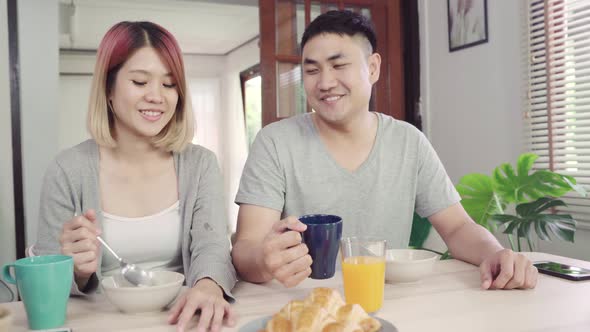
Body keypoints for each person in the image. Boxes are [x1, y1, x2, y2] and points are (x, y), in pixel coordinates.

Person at [231, 10, 538, 290]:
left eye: (339, 65)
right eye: (312, 71)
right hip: (303, 306)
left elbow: (458, 228)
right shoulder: (274, 142)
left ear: (373, 67)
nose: (325, 82)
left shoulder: (409, 141)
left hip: (389, 302)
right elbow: (246, 247)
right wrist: (264, 259)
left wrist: (496, 254)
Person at [32, 21, 236, 332]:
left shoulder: (200, 164)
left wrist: (208, 285)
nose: (157, 96)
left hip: (182, 319)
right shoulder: (67, 170)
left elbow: (213, 247)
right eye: (140, 82)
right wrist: (74, 271)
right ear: (108, 89)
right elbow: (43, 281)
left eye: (169, 85)